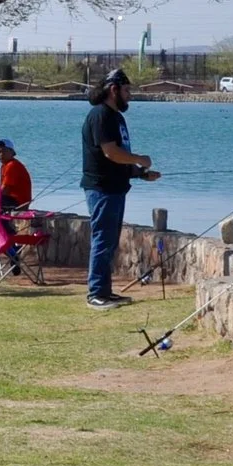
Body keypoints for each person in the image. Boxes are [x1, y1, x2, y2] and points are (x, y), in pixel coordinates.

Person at [80, 67, 160, 310]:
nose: (129, 96)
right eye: (126, 91)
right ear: (113, 90)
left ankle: (105, 291)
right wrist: (140, 159)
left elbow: (119, 159)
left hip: (117, 188)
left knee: (110, 242)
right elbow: (111, 153)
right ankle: (95, 293)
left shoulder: (117, 118)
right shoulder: (100, 115)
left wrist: (140, 173)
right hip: (102, 189)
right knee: (103, 240)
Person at [0, 138, 32, 214]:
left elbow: (4, 191)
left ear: (12, 152)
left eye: (4, 151)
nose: (1, 155)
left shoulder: (12, 165)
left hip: (19, 203)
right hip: (10, 200)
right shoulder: (4, 166)